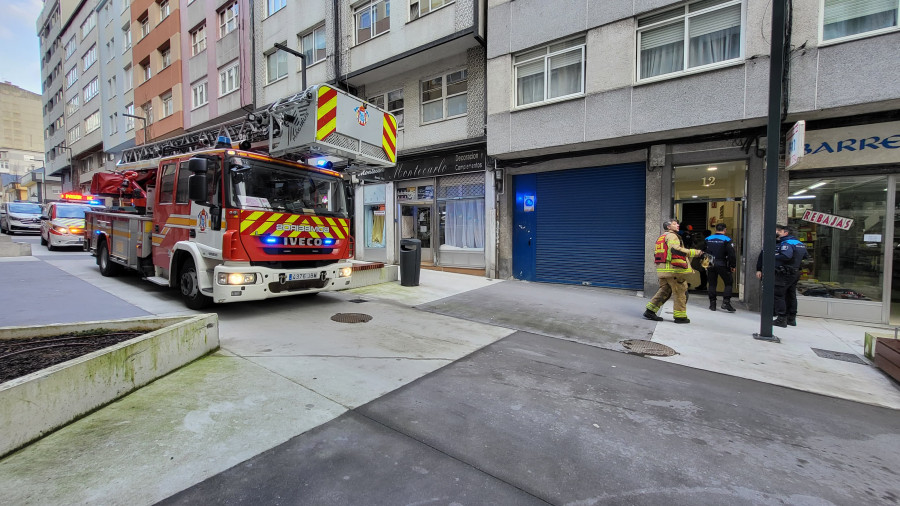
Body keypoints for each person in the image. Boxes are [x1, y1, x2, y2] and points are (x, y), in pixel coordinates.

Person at [644, 219, 703, 324]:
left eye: (677, 223)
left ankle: (650, 310)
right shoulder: (672, 236)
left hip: (663, 270)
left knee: (665, 290)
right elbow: (675, 250)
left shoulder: (661, 237)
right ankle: (680, 317)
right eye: (674, 224)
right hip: (673, 270)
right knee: (680, 291)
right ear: (668, 227)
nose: (678, 225)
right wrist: (696, 252)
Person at [755, 224, 808, 327]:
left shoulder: (786, 243)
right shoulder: (799, 243)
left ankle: (781, 318)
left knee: (778, 294)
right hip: (794, 272)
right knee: (791, 295)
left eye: (779, 231)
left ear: (785, 232)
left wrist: (772, 257)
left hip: (785, 272)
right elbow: (805, 256)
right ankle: (791, 318)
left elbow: (786, 256)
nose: (777, 233)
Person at [704, 223, 736, 312]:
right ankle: (726, 302)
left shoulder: (708, 239)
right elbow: (731, 254)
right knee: (728, 282)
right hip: (722, 263)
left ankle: (712, 304)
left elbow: (704, 252)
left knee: (712, 283)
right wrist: (733, 265)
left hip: (710, 262)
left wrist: (705, 264)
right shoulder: (727, 239)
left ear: (715, 229)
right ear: (725, 230)